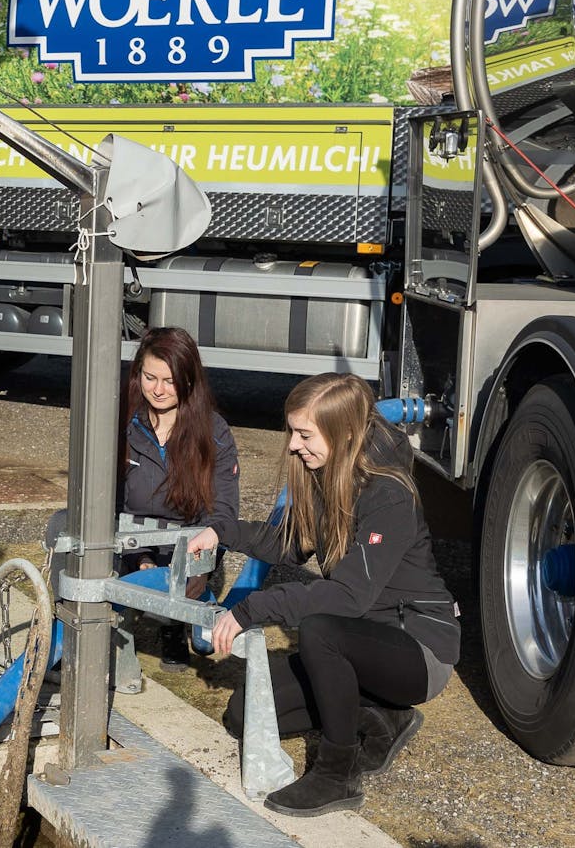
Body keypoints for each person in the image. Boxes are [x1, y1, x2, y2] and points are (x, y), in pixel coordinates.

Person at [186, 373, 460, 818]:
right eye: (292, 431)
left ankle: (337, 774)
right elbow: (287, 544)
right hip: (358, 639)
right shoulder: (327, 475)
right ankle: (384, 718)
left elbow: (347, 598)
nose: (293, 444)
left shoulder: (389, 494)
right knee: (243, 714)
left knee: (319, 630)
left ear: (344, 433)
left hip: (417, 651)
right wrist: (222, 531)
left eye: (304, 434)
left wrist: (252, 608)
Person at [119, 327, 239, 669]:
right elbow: (109, 502)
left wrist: (200, 568)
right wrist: (139, 558)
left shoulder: (214, 432)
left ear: (189, 380)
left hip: (185, 550)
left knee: (205, 643)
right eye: (149, 377)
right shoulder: (123, 424)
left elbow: (224, 511)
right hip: (131, 542)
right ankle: (101, 639)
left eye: (169, 380)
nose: (157, 390)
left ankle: (178, 625)